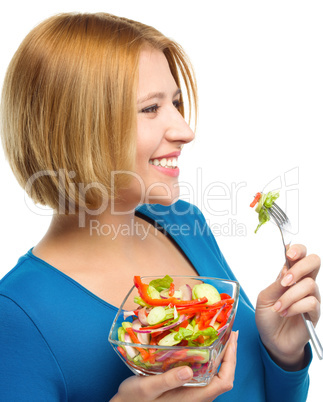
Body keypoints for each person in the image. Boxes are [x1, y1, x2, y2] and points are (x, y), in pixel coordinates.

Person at [0, 12, 320, 402]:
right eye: (150, 109)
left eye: (176, 102)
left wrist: (282, 355)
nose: (185, 130)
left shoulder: (185, 223)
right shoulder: (17, 317)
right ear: (76, 125)